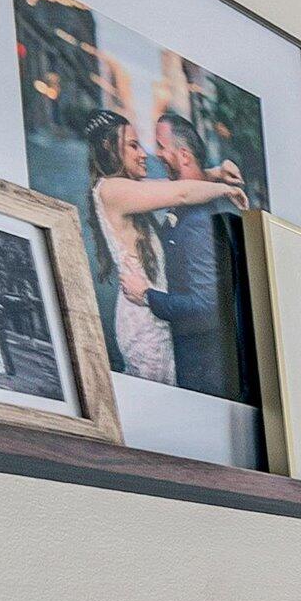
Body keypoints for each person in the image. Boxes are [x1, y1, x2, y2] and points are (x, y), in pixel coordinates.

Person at [75, 110, 240, 384]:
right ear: (109, 147)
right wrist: (227, 190)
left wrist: (217, 174)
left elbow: (173, 184)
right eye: (133, 145)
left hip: (152, 312)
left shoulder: (125, 188)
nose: (144, 154)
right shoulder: (110, 189)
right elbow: (182, 192)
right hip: (143, 318)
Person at [145, 111, 248, 397]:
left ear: (184, 155)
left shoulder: (199, 222)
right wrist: (213, 173)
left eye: (161, 147)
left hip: (202, 368)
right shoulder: (191, 200)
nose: (157, 154)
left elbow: (206, 304)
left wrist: (147, 296)